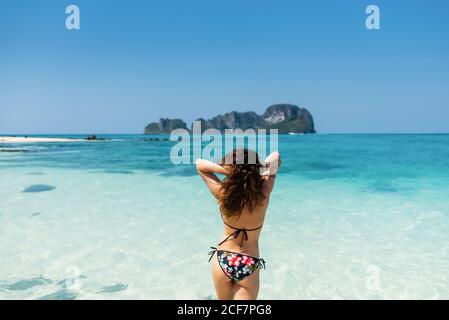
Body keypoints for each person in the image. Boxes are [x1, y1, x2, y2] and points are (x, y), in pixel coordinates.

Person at [196, 148, 281, 300]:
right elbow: (275, 156)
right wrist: (251, 170)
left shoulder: (223, 193)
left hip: (223, 258)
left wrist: (230, 171)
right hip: (248, 261)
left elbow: (199, 164)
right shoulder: (263, 193)